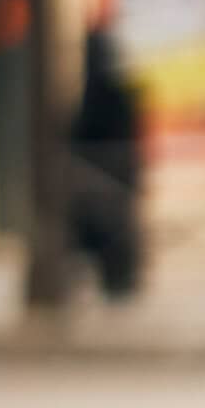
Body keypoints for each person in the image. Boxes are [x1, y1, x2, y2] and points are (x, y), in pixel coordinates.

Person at [66, 23, 146, 300]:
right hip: (101, 178)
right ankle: (116, 280)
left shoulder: (110, 93)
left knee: (114, 232)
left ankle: (120, 280)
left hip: (110, 176)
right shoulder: (111, 91)